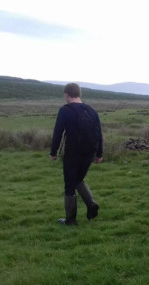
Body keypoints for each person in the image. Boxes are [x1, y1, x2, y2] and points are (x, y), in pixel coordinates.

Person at [50, 83, 103, 225]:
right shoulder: (91, 111)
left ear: (67, 94)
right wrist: (99, 154)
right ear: (79, 94)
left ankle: (70, 220)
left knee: (69, 185)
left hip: (72, 153)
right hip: (89, 153)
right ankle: (91, 204)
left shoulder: (65, 111)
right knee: (78, 179)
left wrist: (53, 152)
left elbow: (58, 133)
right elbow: (99, 134)